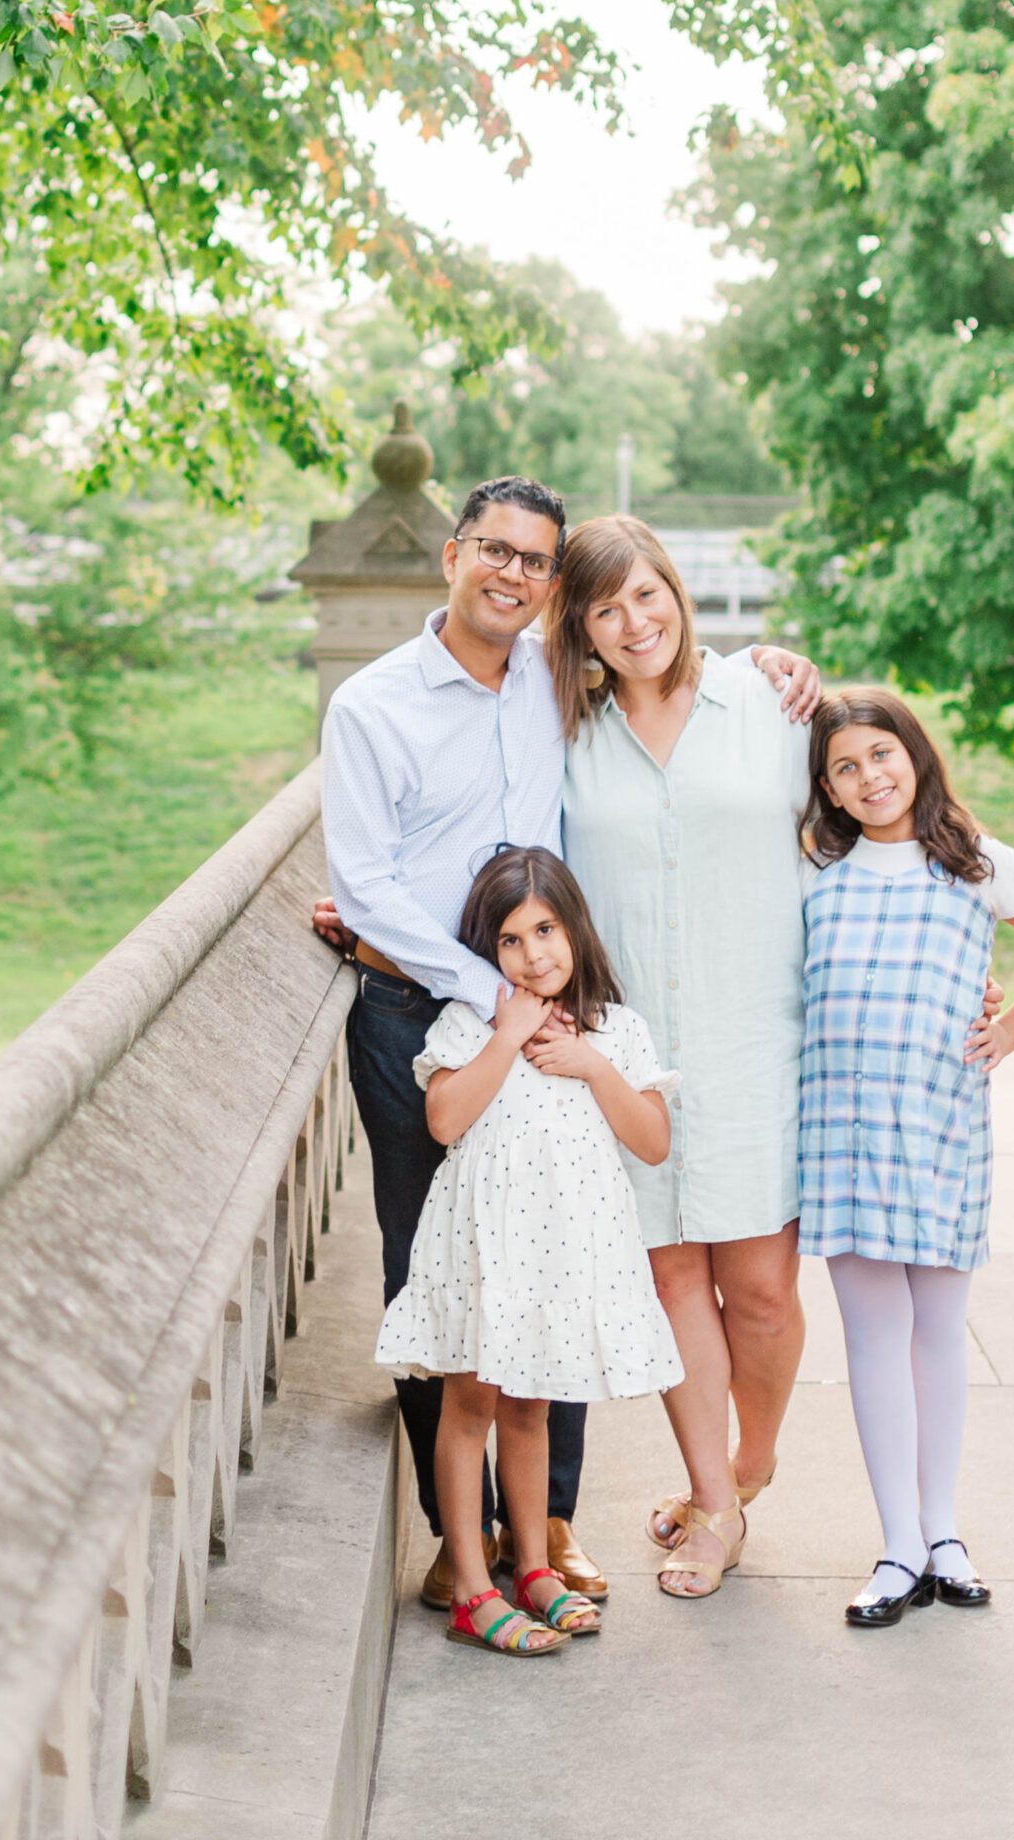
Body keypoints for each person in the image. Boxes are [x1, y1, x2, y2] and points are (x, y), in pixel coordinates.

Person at [319, 472, 814, 1610]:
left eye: (535, 562)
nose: (512, 573)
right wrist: (486, 988)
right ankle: (464, 1540)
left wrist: (776, 663)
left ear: (549, 590)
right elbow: (366, 877)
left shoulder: (553, 688)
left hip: (557, 1015)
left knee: (570, 1239)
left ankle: (544, 1524)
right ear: (451, 554)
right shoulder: (372, 705)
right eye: (493, 549)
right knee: (433, 1267)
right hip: (425, 1012)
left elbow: (690, 678)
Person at [544, 515, 817, 1599]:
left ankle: (748, 1459)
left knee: (757, 1291)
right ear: (583, 629)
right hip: (634, 1054)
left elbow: (868, 814)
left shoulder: (769, 701)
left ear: (675, 590)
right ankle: (715, 1504)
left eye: (646, 594)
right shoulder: (565, 736)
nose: (633, 621)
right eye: (605, 608)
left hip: (758, 1041)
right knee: (670, 1281)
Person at [798, 689, 1014, 1627]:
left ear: (916, 758)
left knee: (938, 1328)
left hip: (940, 1128)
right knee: (873, 1335)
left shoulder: (975, 865)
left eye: (882, 754)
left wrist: (1004, 1034)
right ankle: (896, 1545)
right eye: (845, 768)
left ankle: (944, 1533)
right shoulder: (812, 872)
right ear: (830, 791)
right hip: (841, 1128)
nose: (869, 777)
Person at [377, 847, 683, 1656]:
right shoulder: (469, 1023)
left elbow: (652, 1141)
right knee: (470, 1404)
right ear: (488, 952)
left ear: (573, 926)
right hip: (487, 1254)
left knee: (533, 1405)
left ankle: (536, 1569)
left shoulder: (616, 1029)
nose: (534, 953)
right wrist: (506, 1036)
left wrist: (588, 1064)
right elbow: (444, 1121)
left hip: (562, 1258)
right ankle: (475, 1588)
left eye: (545, 929)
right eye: (510, 940)